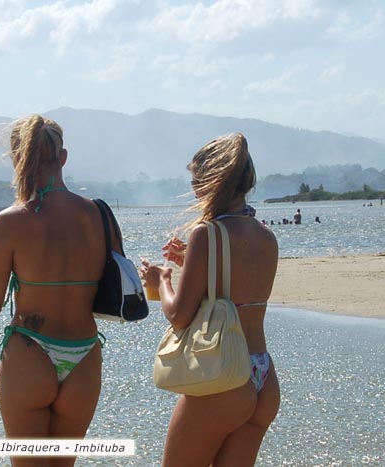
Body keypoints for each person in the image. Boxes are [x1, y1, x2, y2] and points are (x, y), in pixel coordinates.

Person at [0, 114, 113, 467]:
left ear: (18, 160)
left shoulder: (11, 221)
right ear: (64, 157)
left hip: (30, 351)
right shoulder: (98, 215)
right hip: (84, 354)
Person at [140, 133, 279, 467]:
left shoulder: (206, 233)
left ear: (212, 182)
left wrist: (162, 280)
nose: (193, 190)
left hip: (225, 376)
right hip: (262, 375)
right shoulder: (265, 235)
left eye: (195, 181)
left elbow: (179, 316)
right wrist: (192, 263)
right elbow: (237, 292)